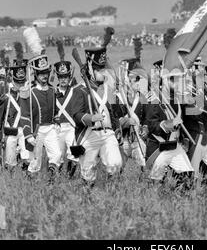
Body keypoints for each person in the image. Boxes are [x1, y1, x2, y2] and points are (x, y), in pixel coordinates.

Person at [71, 47, 123, 187]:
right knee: (88, 174)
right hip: (89, 134)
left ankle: (111, 193)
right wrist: (91, 118)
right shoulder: (79, 90)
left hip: (108, 134)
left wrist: (117, 127)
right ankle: (87, 199)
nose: (103, 72)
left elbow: (114, 113)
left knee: (115, 164)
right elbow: (76, 115)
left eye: (104, 69)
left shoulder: (108, 89)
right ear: (90, 70)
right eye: (99, 70)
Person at [21, 54, 63, 182]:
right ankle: (30, 184)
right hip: (36, 130)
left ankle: (51, 180)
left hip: (50, 128)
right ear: (35, 74)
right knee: (35, 161)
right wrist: (28, 135)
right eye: (41, 73)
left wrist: (57, 122)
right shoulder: (29, 91)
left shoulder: (52, 90)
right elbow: (25, 115)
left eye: (46, 73)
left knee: (57, 155)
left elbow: (55, 110)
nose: (44, 76)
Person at [117, 58, 149, 171]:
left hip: (138, 137)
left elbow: (147, 117)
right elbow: (114, 118)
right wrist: (125, 122)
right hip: (122, 138)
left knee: (144, 163)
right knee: (117, 167)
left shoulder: (143, 97)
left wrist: (145, 128)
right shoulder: (119, 96)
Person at [54, 59, 79, 178]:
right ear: (58, 78)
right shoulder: (52, 93)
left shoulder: (75, 92)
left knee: (74, 154)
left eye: (65, 76)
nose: (63, 79)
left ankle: (69, 178)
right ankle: (56, 179)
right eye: (60, 77)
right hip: (57, 128)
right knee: (57, 156)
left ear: (69, 77)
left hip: (71, 128)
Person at [3, 63, 30, 171]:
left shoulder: (29, 94)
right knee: (10, 159)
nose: (20, 85)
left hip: (25, 129)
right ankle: (10, 177)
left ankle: (27, 175)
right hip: (11, 130)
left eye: (22, 83)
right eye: (18, 83)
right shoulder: (6, 95)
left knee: (27, 157)